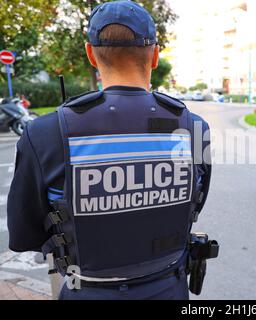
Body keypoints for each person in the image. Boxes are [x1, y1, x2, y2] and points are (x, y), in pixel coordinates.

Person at [7, 0, 213, 300]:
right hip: (171, 289)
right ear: (155, 55)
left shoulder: (44, 133)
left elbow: (24, 234)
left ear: (91, 53)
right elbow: (194, 203)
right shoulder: (195, 128)